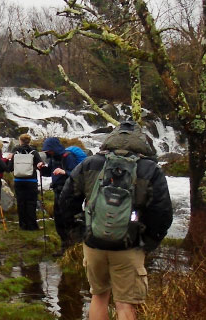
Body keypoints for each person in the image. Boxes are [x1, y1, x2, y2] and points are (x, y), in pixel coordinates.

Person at [59, 121, 173, 320]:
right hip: (129, 246)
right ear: (141, 142)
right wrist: (148, 241)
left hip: (94, 242)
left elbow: (66, 200)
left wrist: (79, 232)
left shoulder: (90, 163)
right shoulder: (149, 168)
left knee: (99, 296)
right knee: (125, 304)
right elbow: (162, 211)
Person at [39, 136, 79, 255]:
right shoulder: (53, 158)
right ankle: (64, 246)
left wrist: (64, 172)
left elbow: (76, 174)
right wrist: (42, 169)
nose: (47, 153)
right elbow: (48, 173)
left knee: (67, 218)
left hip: (68, 193)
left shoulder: (68, 157)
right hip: (57, 191)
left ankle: (72, 247)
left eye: (48, 150)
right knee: (58, 219)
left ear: (54, 148)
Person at [7, 133, 43, 231]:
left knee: (21, 202)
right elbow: (40, 166)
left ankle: (22, 225)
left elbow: (9, 168)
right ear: (29, 141)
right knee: (31, 203)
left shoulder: (15, 152)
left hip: (18, 180)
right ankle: (32, 226)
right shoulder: (34, 152)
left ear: (20, 141)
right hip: (31, 181)